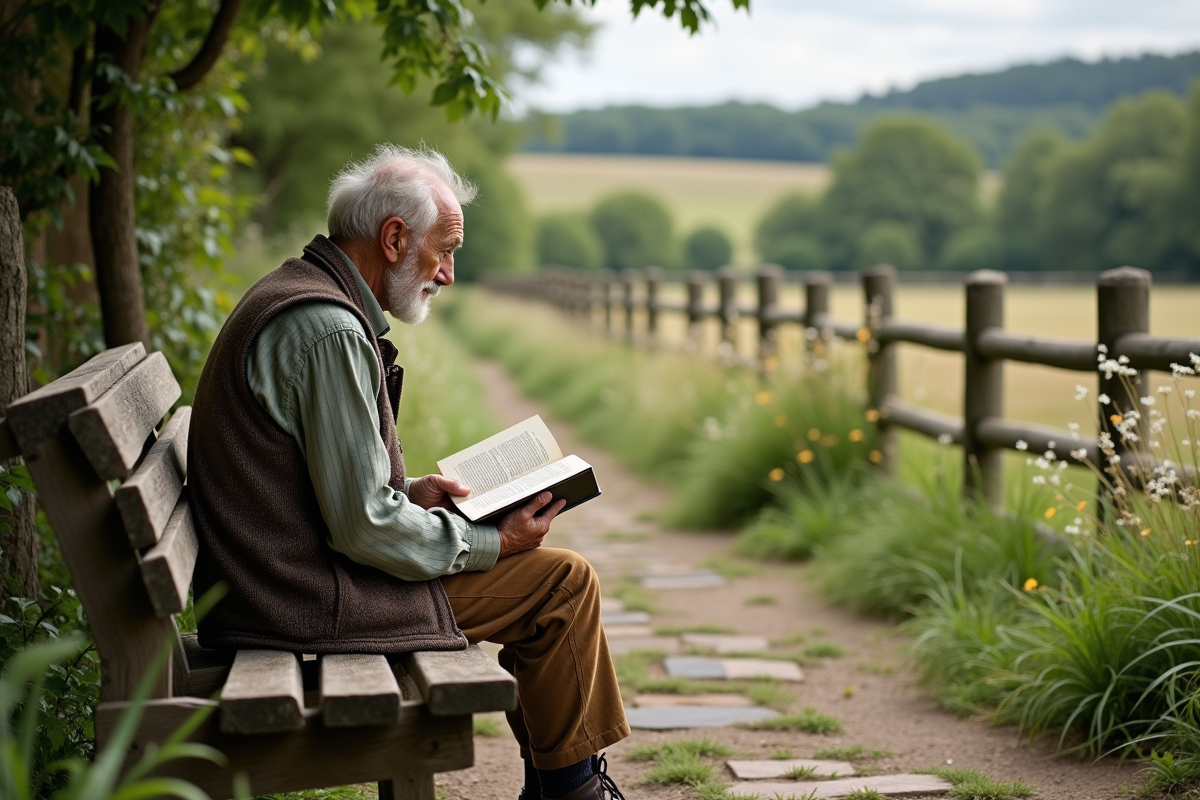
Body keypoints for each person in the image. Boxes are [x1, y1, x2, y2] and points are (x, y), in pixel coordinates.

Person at [188, 144, 629, 800]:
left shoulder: (306, 296)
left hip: (280, 584)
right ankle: (573, 796)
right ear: (393, 238)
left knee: (555, 581)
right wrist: (494, 542)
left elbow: (335, 488)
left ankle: (564, 793)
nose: (448, 273)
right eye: (443, 250)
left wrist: (413, 492)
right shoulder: (328, 329)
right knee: (561, 585)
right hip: (302, 602)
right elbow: (364, 527)